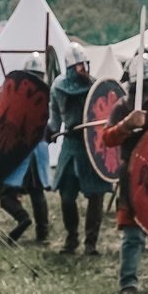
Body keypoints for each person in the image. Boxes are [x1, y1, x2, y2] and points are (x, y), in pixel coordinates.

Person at [102, 58, 148, 294]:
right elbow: (107, 138)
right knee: (134, 234)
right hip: (133, 177)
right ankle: (129, 282)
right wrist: (126, 125)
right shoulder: (124, 107)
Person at [51, 46, 107, 257]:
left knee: (96, 195)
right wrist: (52, 130)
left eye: (86, 64)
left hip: (92, 146)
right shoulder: (57, 87)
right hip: (71, 145)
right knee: (66, 196)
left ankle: (90, 243)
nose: (85, 69)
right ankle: (71, 238)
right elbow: (55, 116)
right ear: (71, 67)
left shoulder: (94, 86)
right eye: (81, 65)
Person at [0, 59, 52, 245]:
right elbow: (50, 125)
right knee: (37, 193)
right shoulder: (47, 95)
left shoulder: (17, 94)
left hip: (20, 152)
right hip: (39, 150)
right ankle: (42, 234)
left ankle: (22, 218)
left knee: (5, 195)